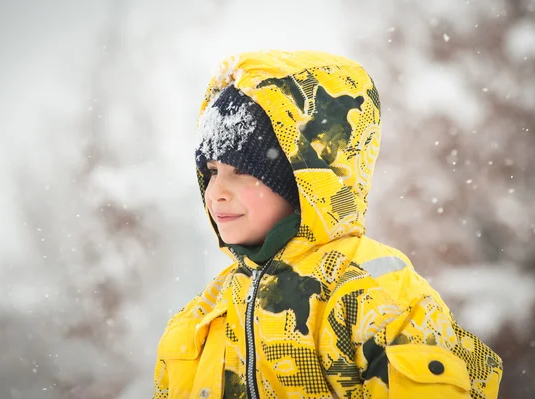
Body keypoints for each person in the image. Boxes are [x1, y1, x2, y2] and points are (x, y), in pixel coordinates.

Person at [153, 50, 502, 399]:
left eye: (242, 171)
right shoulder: (202, 318)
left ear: (301, 177)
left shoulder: (375, 294)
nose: (216, 192)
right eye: (212, 172)